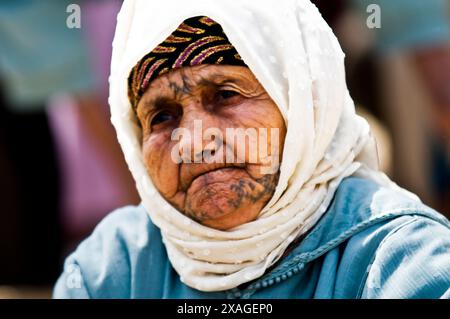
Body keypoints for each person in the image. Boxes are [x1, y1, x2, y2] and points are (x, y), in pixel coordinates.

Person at [54, 0, 450, 298]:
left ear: (301, 106)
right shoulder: (111, 269)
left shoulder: (399, 260)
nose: (193, 142)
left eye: (226, 95)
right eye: (161, 116)